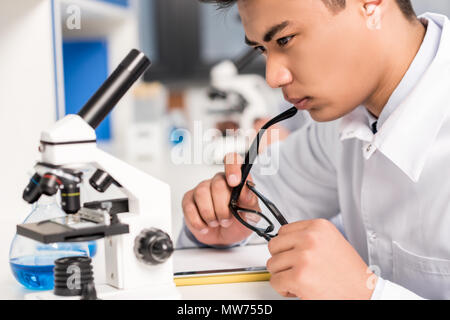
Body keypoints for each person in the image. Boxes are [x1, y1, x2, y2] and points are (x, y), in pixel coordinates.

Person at [179, 0, 450, 299]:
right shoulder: (341, 125)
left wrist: (366, 293)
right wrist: (225, 221)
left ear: (371, 5)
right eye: (262, 49)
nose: (273, 78)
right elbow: (257, 200)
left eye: (285, 39)